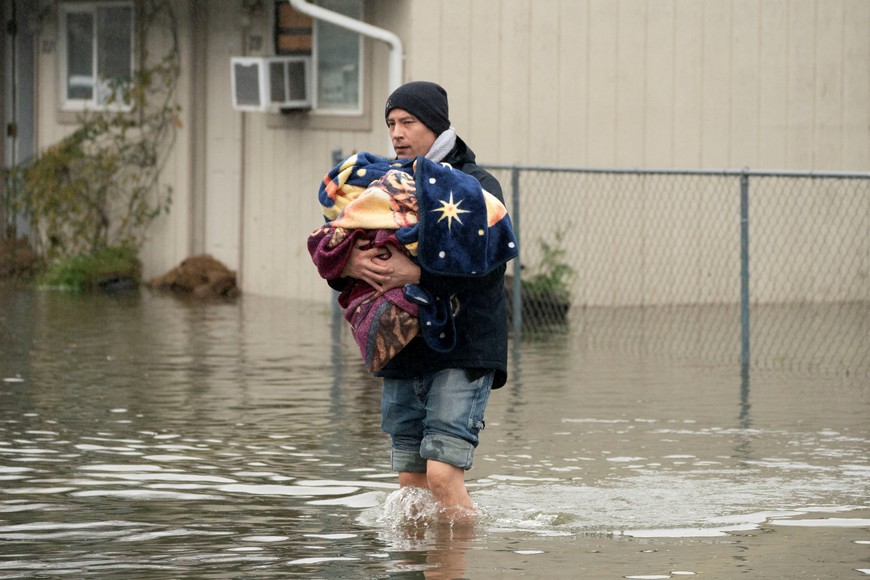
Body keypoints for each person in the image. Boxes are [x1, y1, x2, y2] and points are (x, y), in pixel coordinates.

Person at [335, 81, 511, 520]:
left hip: (464, 348)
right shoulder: (381, 186)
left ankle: (460, 555)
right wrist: (351, 265)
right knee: (410, 487)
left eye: (407, 122)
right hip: (402, 349)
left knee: (440, 476)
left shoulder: (475, 185)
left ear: (435, 124)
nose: (396, 132)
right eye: (391, 123)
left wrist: (415, 273)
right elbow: (338, 249)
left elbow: (489, 268)